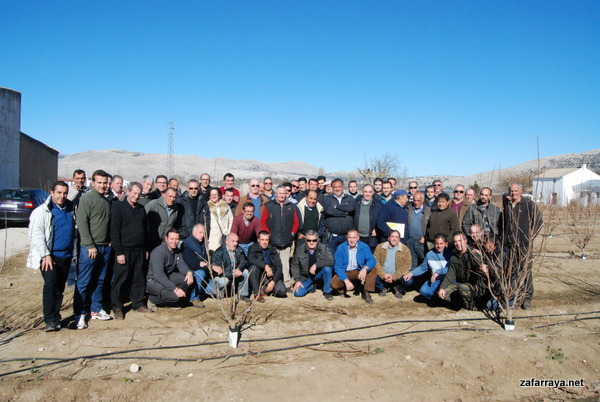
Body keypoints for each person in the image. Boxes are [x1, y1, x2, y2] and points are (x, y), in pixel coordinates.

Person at [27, 181, 76, 332]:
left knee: (59, 288)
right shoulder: (42, 211)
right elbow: (36, 235)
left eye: (65, 193)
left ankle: (56, 317)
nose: (62, 196)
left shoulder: (70, 209)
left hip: (66, 256)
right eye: (59, 192)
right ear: (52, 193)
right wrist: (45, 254)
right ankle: (49, 320)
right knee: (50, 285)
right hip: (49, 257)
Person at [74, 170, 113, 329]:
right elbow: (82, 223)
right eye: (100, 182)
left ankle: (95, 309)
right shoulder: (87, 199)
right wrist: (90, 245)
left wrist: (108, 241)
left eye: (105, 183)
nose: (103, 185)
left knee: (100, 280)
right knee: (84, 282)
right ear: (93, 183)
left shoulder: (105, 200)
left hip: (104, 247)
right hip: (90, 248)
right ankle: (79, 313)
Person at [110, 182, 151, 319]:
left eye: (139, 194)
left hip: (139, 250)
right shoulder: (118, 208)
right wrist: (119, 252)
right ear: (128, 192)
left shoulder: (141, 209)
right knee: (121, 279)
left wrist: (145, 248)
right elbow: (114, 232)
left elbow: (145, 230)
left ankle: (138, 303)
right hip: (124, 250)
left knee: (138, 278)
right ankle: (117, 306)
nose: (136, 196)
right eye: (134, 193)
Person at [500, 182, 543, 310]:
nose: (513, 193)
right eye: (511, 191)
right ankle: (515, 297)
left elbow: (538, 221)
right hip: (510, 245)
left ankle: (527, 297)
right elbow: (504, 223)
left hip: (524, 245)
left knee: (525, 271)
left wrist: (529, 237)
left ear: (521, 191)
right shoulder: (508, 205)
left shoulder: (528, 204)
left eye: (515, 191)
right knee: (512, 272)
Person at [437, 232, 489, 310]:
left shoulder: (474, 254)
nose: (457, 243)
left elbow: (479, 267)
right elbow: (450, 274)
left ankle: (471, 307)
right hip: (462, 285)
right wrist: (442, 288)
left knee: (463, 288)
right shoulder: (454, 257)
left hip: (476, 286)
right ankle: (461, 303)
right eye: (455, 241)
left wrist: (482, 268)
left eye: (460, 240)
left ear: (465, 241)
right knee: (443, 293)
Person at [260, 186, 300, 287]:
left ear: (286, 194)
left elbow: (296, 223)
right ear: (276, 194)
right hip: (273, 240)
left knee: (285, 263)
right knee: (274, 263)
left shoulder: (292, 206)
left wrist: (292, 233)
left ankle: (286, 284)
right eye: (280, 193)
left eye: (283, 193)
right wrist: (268, 233)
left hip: (286, 240)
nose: (282, 195)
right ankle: (274, 283)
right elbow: (263, 222)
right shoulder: (269, 206)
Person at [146, 230, 194, 310]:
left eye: (176, 239)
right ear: (166, 239)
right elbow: (159, 275)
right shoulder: (158, 252)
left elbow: (181, 265)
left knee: (187, 280)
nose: (174, 242)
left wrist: (189, 272)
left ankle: (171, 301)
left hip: (168, 276)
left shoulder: (177, 251)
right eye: (171, 239)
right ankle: (152, 300)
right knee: (175, 297)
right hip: (154, 281)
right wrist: (175, 289)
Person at [331, 229, 377, 304]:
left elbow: (372, 260)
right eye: (350, 237)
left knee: (373, 268)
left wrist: (364, 269)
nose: (352, 240)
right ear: (347, 238)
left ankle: (366, 292)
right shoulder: (341, 248)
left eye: (354, 237)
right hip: (346, 272)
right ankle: (344, 289)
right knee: (334, 284)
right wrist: (346, 280)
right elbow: (338, 267)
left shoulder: (364, 246)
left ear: (358, 238)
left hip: (358, 271)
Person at [403, 233, 452, 300]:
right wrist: (411, 273)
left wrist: (438, 272)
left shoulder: (450, 254)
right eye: (437, 243)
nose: (439, 246)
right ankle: (436, 297)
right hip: (435, 280)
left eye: (441, 244)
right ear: (434, 244)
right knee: (424, 291)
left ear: (446, 244)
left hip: (447, 280)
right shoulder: (429, 254)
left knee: (449, 293)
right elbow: (423, 267)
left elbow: (450, 268)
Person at [290, 230, 334, 300]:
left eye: (314, 240)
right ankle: (311, 287)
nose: (311, 242)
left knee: (327, 269)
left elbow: (331, 261)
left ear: (318, 240)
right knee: (297, 293)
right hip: (306, 277)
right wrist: (297, 280)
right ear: (305, 240)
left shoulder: (324, 248)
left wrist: (316, 265)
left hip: (319, 274)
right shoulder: (299, 250)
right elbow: (295, 266)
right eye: (309, 240)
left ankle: (327, 291)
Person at [206, 233, 250, 300]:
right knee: (224, 281)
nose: (235, 243)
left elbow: (244, 262)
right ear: (226, 242)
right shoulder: (219, 252)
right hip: (222, 276)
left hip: (234, 273)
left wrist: (239, 269)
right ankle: (216, 292)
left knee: (245, 272)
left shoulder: (239, 250)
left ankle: (243, 294)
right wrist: (232, 274)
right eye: (233, 241)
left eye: (237, 241)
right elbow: (218, 271)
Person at [247, 231, 287, 302]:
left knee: (282, 291)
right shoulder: (253, 248)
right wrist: (265, 265)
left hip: (271, 275)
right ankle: (257, 294)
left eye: (266, 240)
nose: (265, 242)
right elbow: (250, 259)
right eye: (262, 240)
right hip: (259, 274)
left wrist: (273, 282)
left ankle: (265, 290)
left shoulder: (273, 249)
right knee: (253, 268)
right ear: (258, 240)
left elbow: (279, 267)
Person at [373, 230, 412, 299]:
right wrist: (383, 275)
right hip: (383, 275)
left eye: (397, 237)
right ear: (388, 238)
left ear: (399, 239)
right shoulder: (380, 247)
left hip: (398, 276)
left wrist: (394, 276)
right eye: (392, 237)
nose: (394, 239)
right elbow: (375, 262)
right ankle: (383, 288)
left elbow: (407, 265)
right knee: (371, 277)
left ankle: (398, 289)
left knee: (409, 281)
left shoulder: (405, 249)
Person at [322, 178, 356, 255]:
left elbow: (351, 208)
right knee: (330, 259)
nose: (337, 189)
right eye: (335, 187)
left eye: (339, 186)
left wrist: (336, 206)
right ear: (332, 188)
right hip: (332, 236)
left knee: (345, 258)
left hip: (346, 236)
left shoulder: (350, 198)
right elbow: (329, 211)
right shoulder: (327, 199)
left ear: (342, 187)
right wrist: (345, 213)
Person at [181, 223, 209, 308]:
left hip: (203, 268)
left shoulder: (202, 242)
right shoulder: (188, 244)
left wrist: (205, 263)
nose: (202, 235)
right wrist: (201, 263)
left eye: (203, 233)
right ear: (193, 232)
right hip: (190, 271)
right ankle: (194, 298)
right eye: (200, 232)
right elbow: (192, 265)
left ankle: (201, 291)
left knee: (214, 290)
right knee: (201, 273)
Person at [354, 184, 383, 250]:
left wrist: (377, 229)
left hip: (372, 237)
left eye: (370, 192)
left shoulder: (378, 204)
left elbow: (382, 219)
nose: (368, 194)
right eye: (365, 192)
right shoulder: (356, 203)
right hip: (358, 236)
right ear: (362, 192)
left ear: (373, 193)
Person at [406, 190, 430, 269]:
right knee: (412, 264)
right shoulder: (408, 209)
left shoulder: (428, 211)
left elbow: (431, 227)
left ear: (422, 200)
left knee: (424, 263)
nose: (416, 202)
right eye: (415, 200)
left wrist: (425, 237)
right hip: (410, 241)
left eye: (418, 201)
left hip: (421, 242)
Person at [206, 188, 233, 252]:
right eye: (212, 194)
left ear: (219, 195)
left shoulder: (226, 206)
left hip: (224, 236)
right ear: (209, 196)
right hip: (212, 237)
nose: (214, 196)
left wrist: (228, 232)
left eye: (215, 194)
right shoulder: (206, 206)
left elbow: (231, 220)